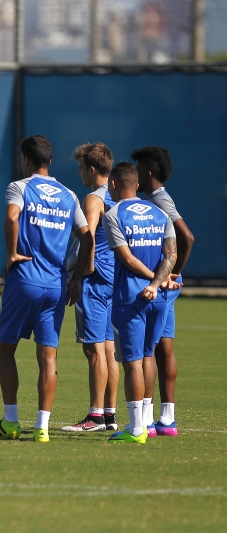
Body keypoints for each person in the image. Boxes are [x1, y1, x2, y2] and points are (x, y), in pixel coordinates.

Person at [0, 134, 92, 443]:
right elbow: (87, 237)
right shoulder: (69, 195)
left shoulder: (20, 187)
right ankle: (42, 427)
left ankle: (11, 421)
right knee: (48, 356)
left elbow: (12, 216)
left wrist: (11, 254)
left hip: (24, 279)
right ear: (50, 161)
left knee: (5, 348)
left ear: (26, 160)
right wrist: (77, 278)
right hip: (56, 285)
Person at [103, 162, 177, 444]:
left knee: (132, 362)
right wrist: (159, 283)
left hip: (131, 297)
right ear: (137, 184)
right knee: (148, 356)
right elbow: (171, 255)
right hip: (158, 298)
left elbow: (127, 259)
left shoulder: (114, 214)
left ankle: (135, 430)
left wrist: (151, 282)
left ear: (113, 184)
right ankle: (146, 421)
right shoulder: (160, 213)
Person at [134, 146, 193, 438]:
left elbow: (187, 237)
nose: (133, 174)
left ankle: (145, 420)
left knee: (147, 349)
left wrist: (171, 273)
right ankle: (167, 420)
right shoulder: (155, 199)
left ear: (147, 174)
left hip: (160, 286)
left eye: (137, 169)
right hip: (164, 286)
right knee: (163, 348)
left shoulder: (158, 200)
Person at [61, 143, 120, 433]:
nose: (79, 173)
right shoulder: (118, 196)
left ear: (92, 169)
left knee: (93, 348)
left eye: (81, 168)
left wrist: (82, 275)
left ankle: (95, 416)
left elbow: (90, 238)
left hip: (95, 281)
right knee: (109, 349)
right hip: (114, 280)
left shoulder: (93, 199)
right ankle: (109, 414)